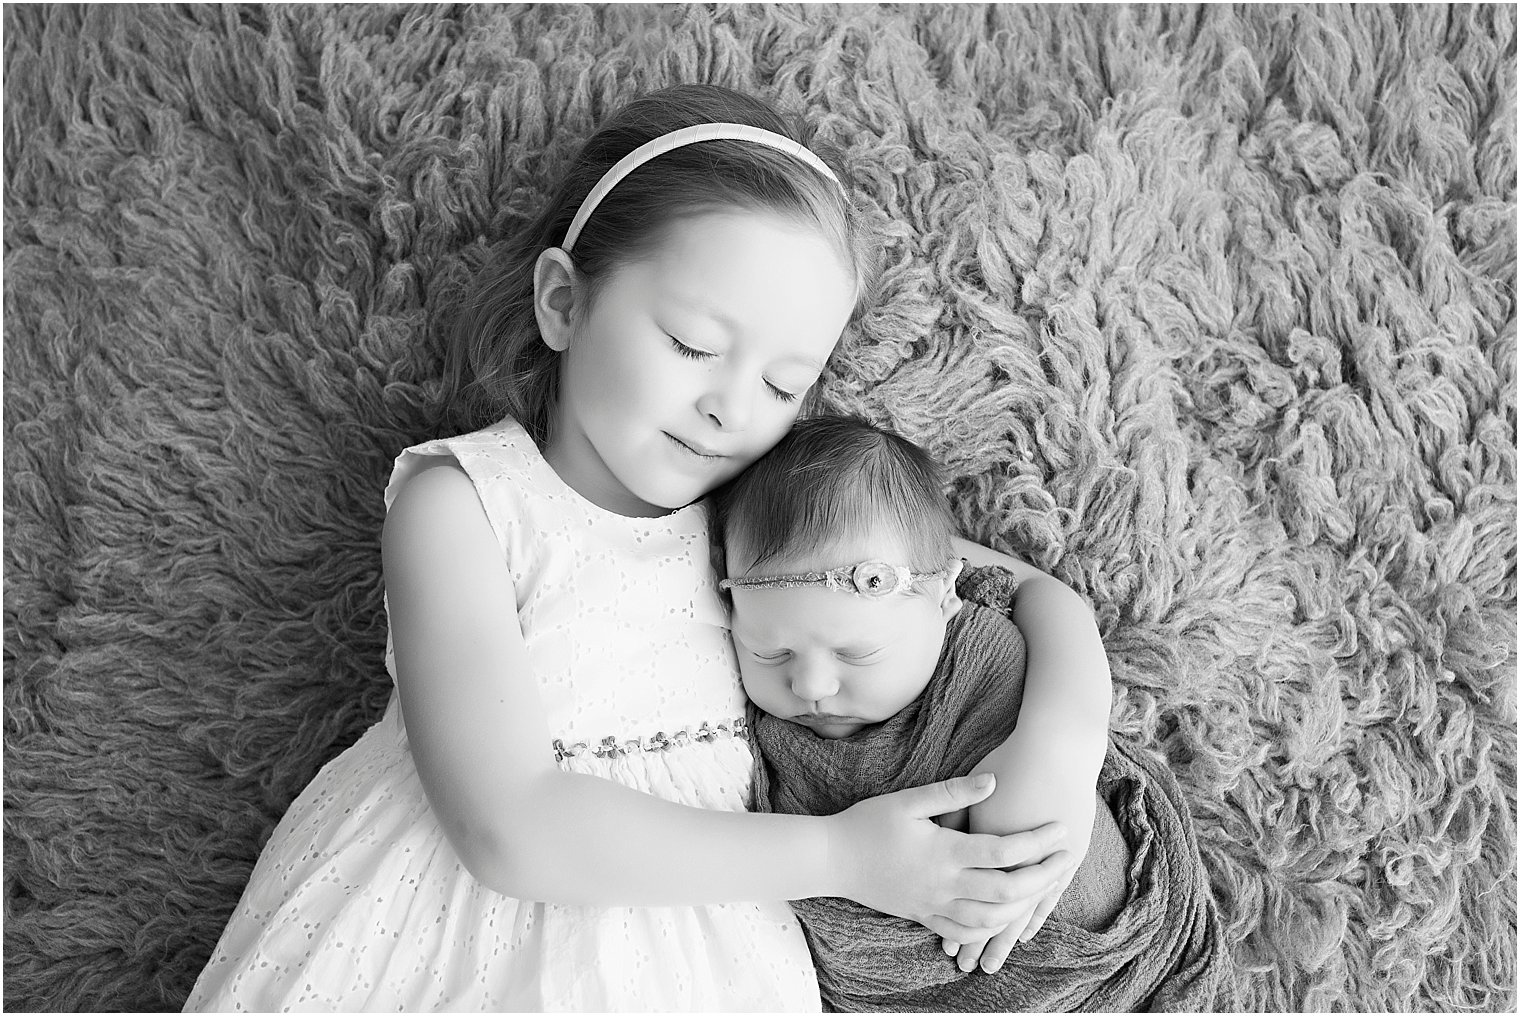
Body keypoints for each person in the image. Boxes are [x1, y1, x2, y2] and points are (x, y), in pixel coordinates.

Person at [184, 84, 1110, 1013]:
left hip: (704, 948)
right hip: (442, 931)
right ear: (563, 302)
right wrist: (843, 857)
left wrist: (1061, 747)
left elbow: (1028, 594)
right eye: (692, 344)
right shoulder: (464, 504)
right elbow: (511, 828)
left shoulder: (765, 517)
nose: (733, 410)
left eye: (787, 384)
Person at [713, 414, 1236, 1012]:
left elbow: (1049, 603)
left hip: (1088, 938)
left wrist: (1054, 754)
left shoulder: (975, 640)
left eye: (858, 653)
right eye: (768, 652)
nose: (810, 685)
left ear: (945, 596)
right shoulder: (759, 720)